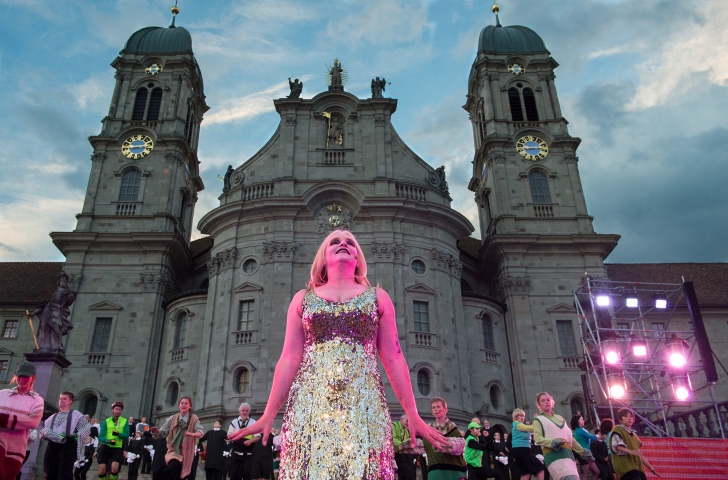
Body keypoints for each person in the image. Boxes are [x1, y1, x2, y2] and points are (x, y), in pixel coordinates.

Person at [228, 229, 447, 480]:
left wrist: (412, 412)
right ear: (323, 257)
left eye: (350, 243)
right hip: (310, 408)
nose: (343, 244)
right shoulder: (303, 299)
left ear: (357, 258)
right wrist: (268, 414)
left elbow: (394, 357)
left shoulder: (378, 297)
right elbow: (288, 359)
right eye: (335, 241)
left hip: (364, 409)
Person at [533, 392, 594, 480]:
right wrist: (553, 442)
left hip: (568, 455)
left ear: (552, 402)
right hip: (553, 456)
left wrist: (583, 452)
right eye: (543, 401)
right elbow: (538, 439)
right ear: (539, 405)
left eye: (548, 400)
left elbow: (570, 438)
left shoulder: (560, 418)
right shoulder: (538, 419)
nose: (546, 402)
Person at [0, 361, 44, 480]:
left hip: (15, 450)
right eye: (20, 376)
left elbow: (32, 422)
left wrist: (3, 419)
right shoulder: (2, 394)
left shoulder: (37, 400)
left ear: (33, 377)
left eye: (26, 377)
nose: (22, 379)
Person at [40, 391, 91, 480]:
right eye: (60, 398)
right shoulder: (52, 417)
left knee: (64, 471)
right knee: (50, 469)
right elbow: (43, 431)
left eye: (64, 399)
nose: (62, 400)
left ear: (70, 401)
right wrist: (46, 433)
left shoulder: (76, 414)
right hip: (52, 444)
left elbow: (86, 427)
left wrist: (79, 437)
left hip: (67, 444)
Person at [152, 396, 204, 480]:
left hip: (187, 452)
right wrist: (156, 431)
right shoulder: (173, 418)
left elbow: (200, 431)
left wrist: (193, 434)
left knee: (181, 475)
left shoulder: (194, 419)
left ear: (190, 406)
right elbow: (163, 432)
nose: (183, 405)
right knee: (174, 465)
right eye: (182, 403)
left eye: (186, 403)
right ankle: (159, 472)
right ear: (179, 405)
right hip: (174, 450)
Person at [423, 397, 466, 480]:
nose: (436, 409)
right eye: (433, 407)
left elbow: (460, 444)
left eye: (438, 407)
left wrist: (442, 445)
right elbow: (424, 444)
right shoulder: (429, 427)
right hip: (435, 469)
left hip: (453, 470)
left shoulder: (452, 426)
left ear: (445, 410)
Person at [609, 408, 658, 480]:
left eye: (631, 416)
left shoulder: (635, 436)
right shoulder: (618, 429)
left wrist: (650, 467)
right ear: (620, 419)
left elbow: (638, 454)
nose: (629, 418)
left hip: (637, 467)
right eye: (625, 416)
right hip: (625, 466)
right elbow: (616, 445)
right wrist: (630, 451)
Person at [97, 401, 130, 480]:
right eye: (116, 409)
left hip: (117, 447)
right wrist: (107, 441)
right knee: (102, 470)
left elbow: (126, 436)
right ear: (112, 410)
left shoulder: (125, 421)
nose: (118, 411)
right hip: (106, 446)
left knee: (115, 468)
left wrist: (119, 434)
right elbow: (101, 436)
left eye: (119, 409)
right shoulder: (106, 421)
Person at [227, 403, 260, 480]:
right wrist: (235, 437)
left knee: (247, 476)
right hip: (236, 454)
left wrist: (250, 441)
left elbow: (258, 436)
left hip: (248, 455)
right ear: (239, 411)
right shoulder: (234, 422)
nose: (244, 412)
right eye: (243, 410)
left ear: (249, 412)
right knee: (234, 476)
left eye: (246, 411)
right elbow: (229, 435)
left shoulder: (253, 422)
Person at [510, 409, 544, 480]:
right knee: (540, 467)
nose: (522, 417)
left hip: (524, 450)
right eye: (520, 416)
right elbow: (532, 428)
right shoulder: (518, 425)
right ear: (516, 416)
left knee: (526, 472)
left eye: (523, 416)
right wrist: (536, 420)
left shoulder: (520, 425)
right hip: (521, 450)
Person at [570, 414, 600, 480]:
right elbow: (592, 437)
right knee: (587, 474)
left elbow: (590, 438)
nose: (584, 421)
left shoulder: (577, 430)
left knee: (595, 472)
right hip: (583, 453)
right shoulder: (580, 430)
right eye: (581, 419)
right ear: (577, 421)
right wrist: (599, 437)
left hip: (585, 453)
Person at [392, 414, 416, 480]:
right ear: (401, 419)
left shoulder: (406, 432)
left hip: (398, 455)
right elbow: (391, 439)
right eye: (407, 421)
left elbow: (407, 445)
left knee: (408, 473)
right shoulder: (393, 425)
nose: (408, 423)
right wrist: (403, 444)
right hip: (390, 455)